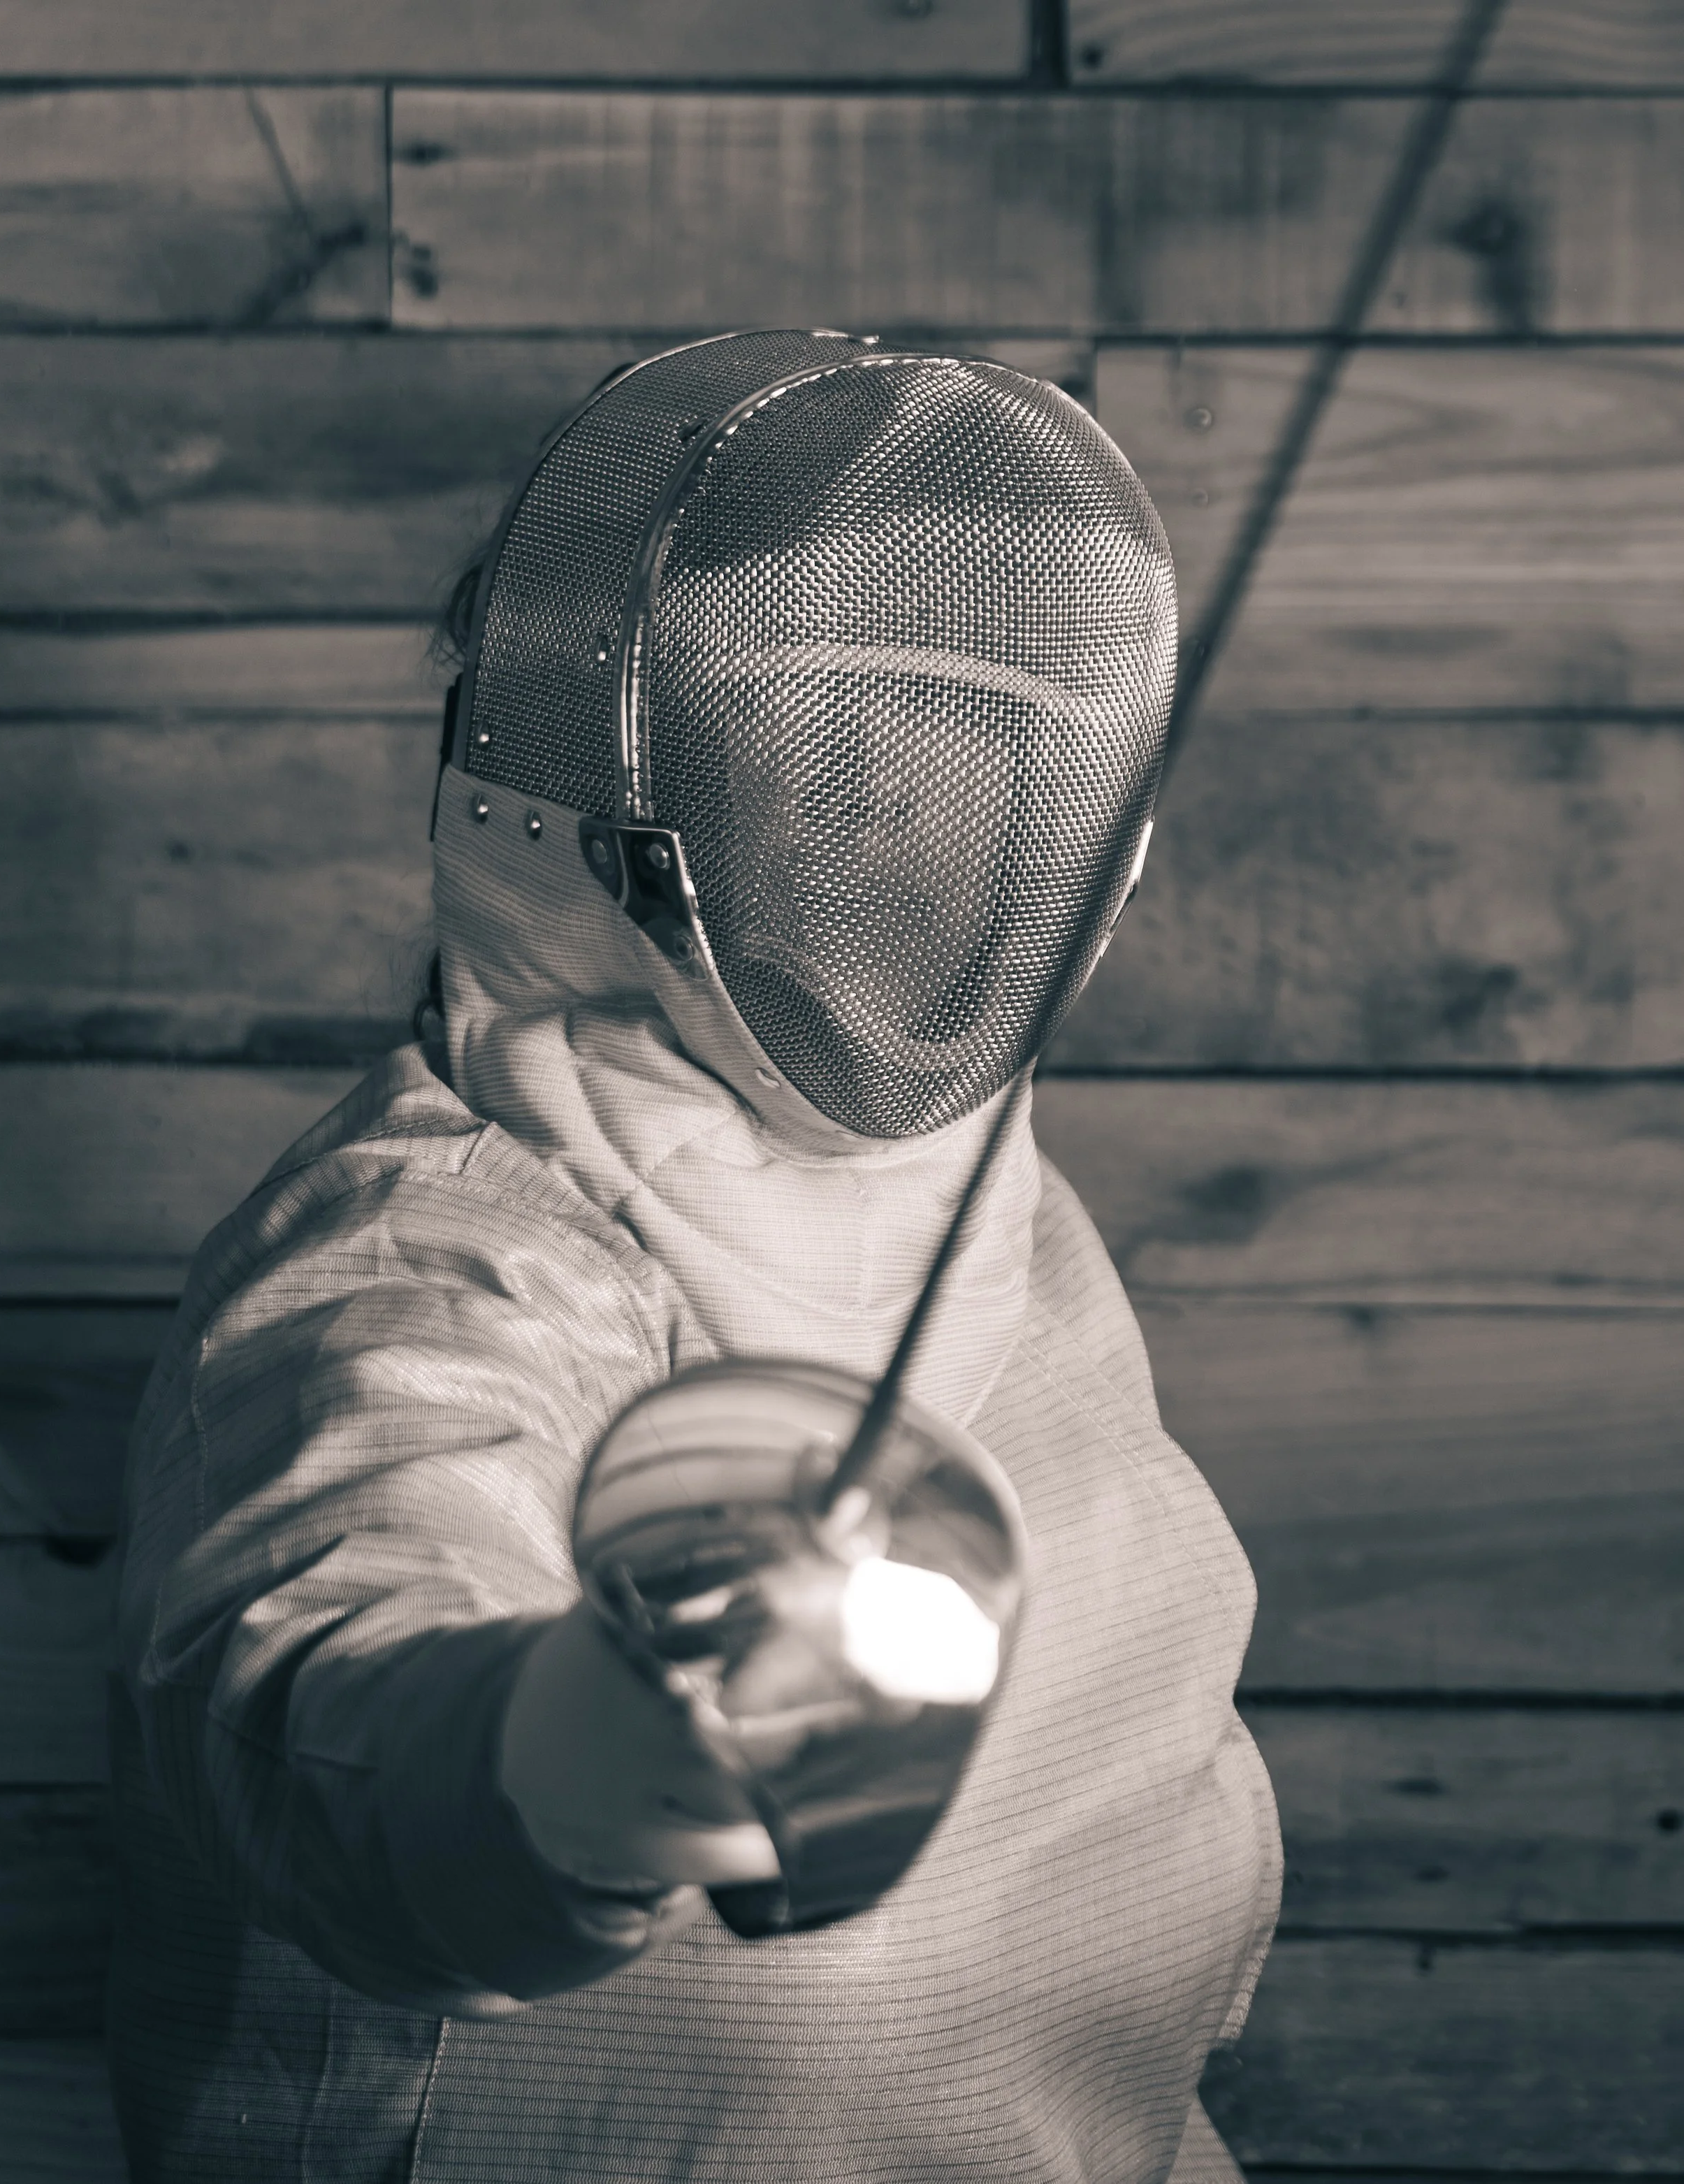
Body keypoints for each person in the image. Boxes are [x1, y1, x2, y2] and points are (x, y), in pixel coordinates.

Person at [109, 331, 1281, 2182]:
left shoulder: (990, 1196)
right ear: (595, 815)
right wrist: (567, 1763)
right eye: (828, 768)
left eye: (963, 759)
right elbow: (327, 1680)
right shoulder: (422, 1273)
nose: (906, 835)